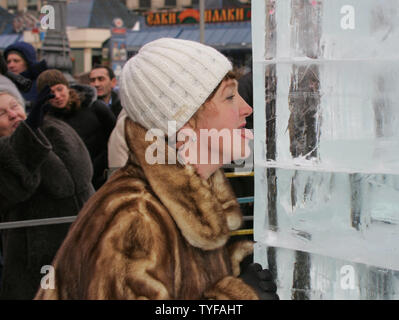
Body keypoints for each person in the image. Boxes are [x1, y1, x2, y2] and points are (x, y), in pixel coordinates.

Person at [34, 38, 278, 300]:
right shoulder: (135, 217)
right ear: (185, 126)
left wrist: (230, 270)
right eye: (230, 97)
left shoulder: (188, 198)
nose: (247, 109)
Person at [0, 82, 94, 299]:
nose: (13, 115)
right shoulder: (5, 151)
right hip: (33, 255)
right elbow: (15, 187)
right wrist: (28, 135)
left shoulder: (54, 128)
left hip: (83, 241)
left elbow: (75, 178)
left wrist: (32, 132)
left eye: (14, 106)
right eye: (2, 113)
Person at [37, 69, 116, 190]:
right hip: (72, 186)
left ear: (67, 87)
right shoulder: (45, 122)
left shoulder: (95, 107)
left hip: (103, 178)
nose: (57, 96)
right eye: (51, 93)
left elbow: (116, 138)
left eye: (60, 89)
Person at [3, 41, 47, 110]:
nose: (11, 65)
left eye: (16, 61)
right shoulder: (4, 85)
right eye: (8, 62)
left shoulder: (41, 85)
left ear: (28, 63)